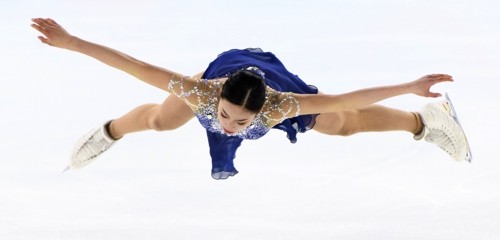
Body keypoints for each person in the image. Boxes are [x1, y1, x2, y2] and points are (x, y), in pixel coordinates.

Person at [31, 18, 471, 180]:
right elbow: (131, 64)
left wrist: (410, 86)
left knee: (346, 123)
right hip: (226, 70)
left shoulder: (283, 105)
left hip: (272, 79)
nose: (228, 127)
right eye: (226, 117)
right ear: (218, 97)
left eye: (240, 124)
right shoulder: (201, 90)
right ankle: (108, 133)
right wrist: (72, 43)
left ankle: (426, 121)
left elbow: (348, 99)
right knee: (162, 121)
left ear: (263, 113)